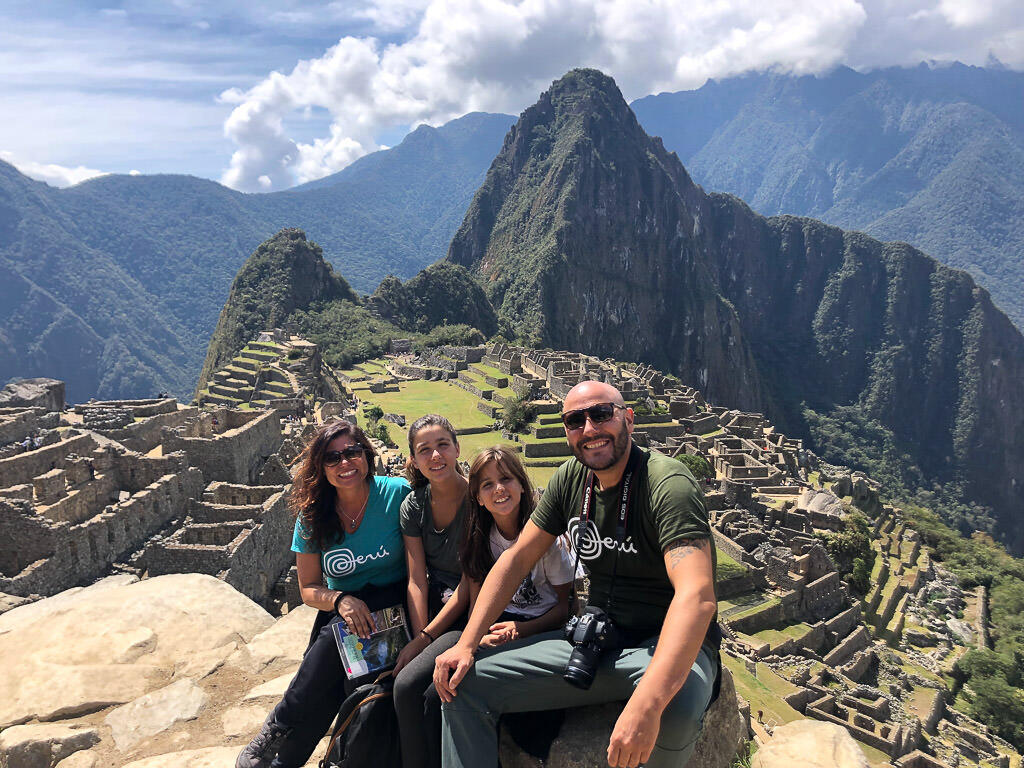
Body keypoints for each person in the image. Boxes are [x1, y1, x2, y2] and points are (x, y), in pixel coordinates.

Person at [433, 381, 720, 768]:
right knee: (462, 685)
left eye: (601, 414)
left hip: (665, 645)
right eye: (574, 421)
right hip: (599, 640)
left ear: (628, 420)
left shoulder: (667, 485)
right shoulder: (571, 479)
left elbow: (696, 595)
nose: (589, 429)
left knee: (675, 712)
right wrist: (466, 645)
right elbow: (517, 559)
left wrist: (646, 705)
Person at [236, 420, 411, 768]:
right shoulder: (314, 515)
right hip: (344, 609)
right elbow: (309, 589)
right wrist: (341, 600)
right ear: (321, 467)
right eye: (333, 458)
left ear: (366, 454)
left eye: (351, 452)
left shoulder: (396, 494)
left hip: (395, 607)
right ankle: (285, 759)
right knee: (330, 676)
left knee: (334, 642)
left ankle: (278, 728)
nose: (344, 463)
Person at [396, 445, 574, 768]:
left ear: (522, 484)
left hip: (539, 631)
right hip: (488, 627)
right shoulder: (480, 536)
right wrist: (473, 640)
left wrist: (521, 629)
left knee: (453, 691)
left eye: (506, 479)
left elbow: (565, 610)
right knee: (421, 688)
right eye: (487, 485)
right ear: (476, 496)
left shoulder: (548, 541)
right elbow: (477, 601)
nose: (499, 490)